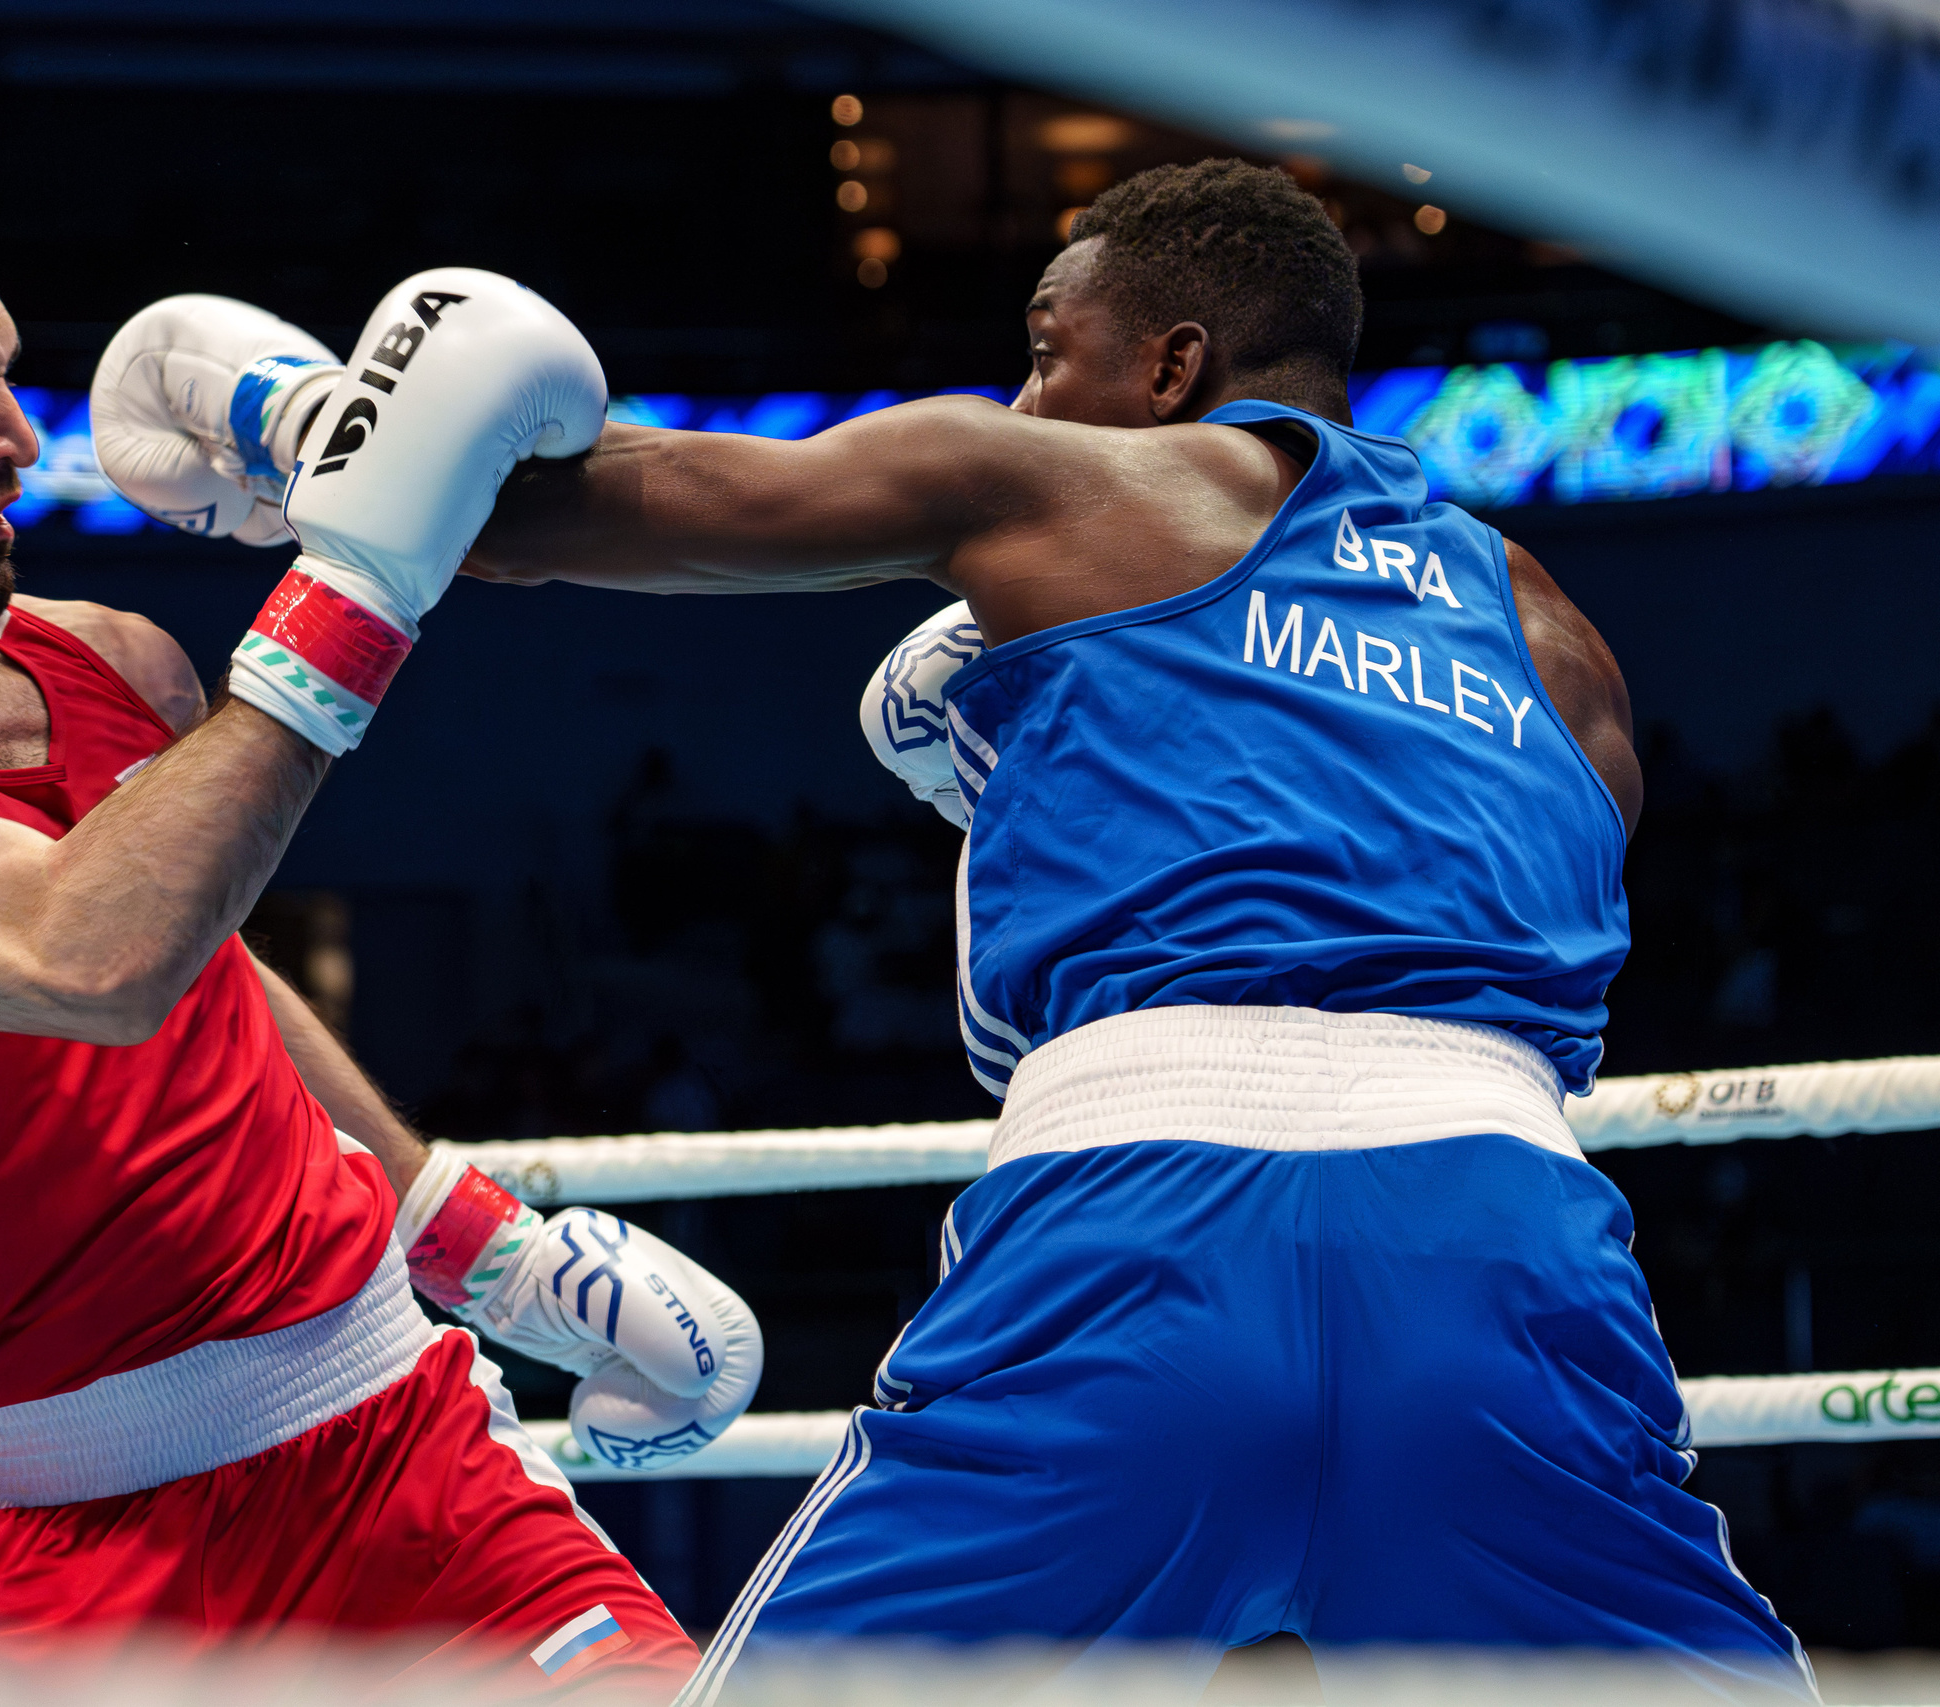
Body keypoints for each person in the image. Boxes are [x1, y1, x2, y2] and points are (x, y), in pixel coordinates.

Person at [465, 161, 1814, 1701]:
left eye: (1049, 351)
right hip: (1504, 1249)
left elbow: (572, 517)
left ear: (1172, 367)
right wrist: (1054, 760)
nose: (1025, 398)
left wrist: (318, 437)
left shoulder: (1055, 485)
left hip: (1143, 1236)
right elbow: (1481, 926)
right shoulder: (1554, 634)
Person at [0, 194, 758, 1703]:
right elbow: (87, 955)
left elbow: (208, 980)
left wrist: (478, 1239)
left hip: (408, 1478)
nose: (19, 433)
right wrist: (354, 588)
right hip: (35, 1570)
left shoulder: (112, 663)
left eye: (10, 378)